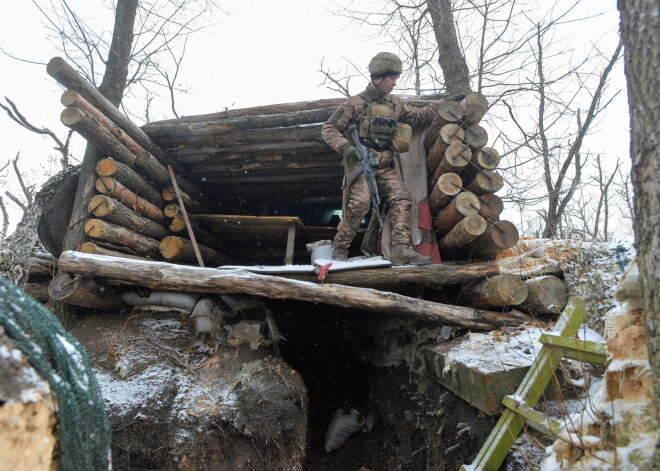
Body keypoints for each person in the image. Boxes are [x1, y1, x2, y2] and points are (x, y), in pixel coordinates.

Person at [322, 52, 446, 265]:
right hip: (361, 165)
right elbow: (329, 128)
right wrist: (346, 148)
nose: (394, 83)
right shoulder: (355, 104)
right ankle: (340, 247)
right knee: (360, 204)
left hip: (384, 166)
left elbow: (418, 116)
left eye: (396, 78)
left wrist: (442, 105)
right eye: (391, 78)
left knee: (402, 199)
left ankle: (400, 248)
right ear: (377, 77)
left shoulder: (395, 103)